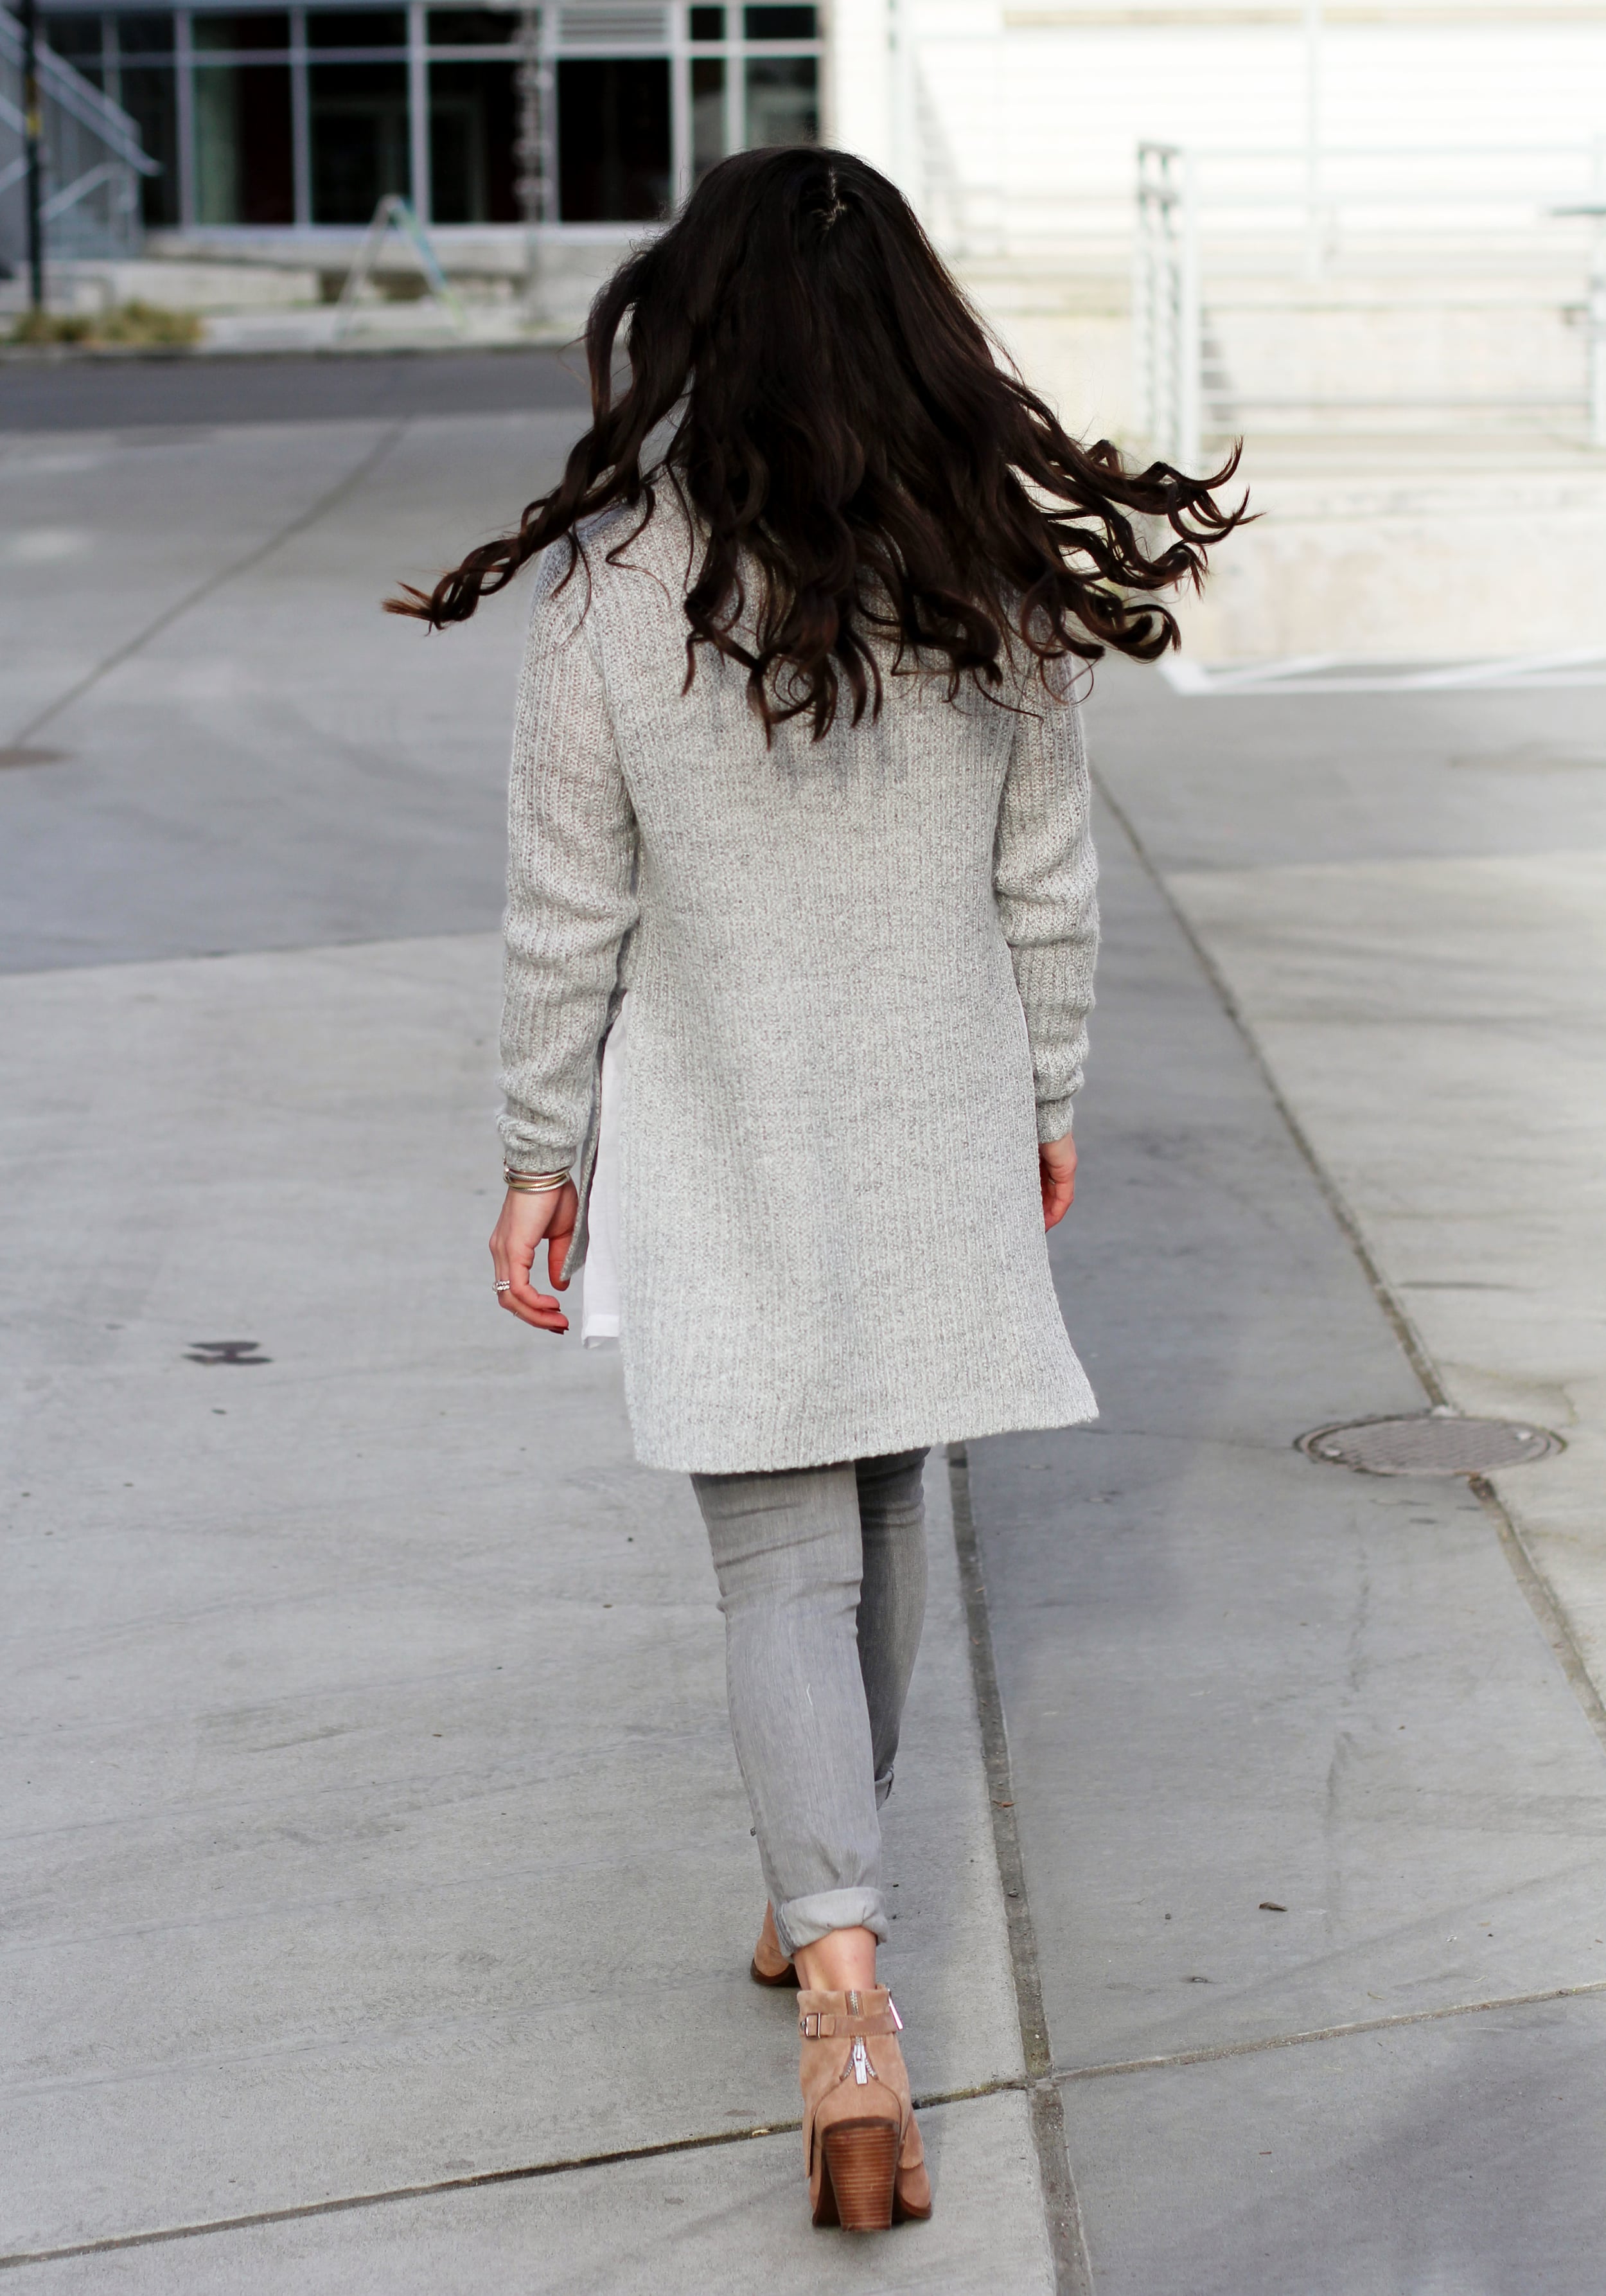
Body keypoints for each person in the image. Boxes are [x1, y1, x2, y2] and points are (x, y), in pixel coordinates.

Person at [389, 145, 1243, 2234]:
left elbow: (563, 912)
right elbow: (1045, 879)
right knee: (875, 1504)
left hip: (722, 1122)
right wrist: (1044, 1086)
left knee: (781, 1546)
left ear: (694, 330)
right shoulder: (985, 573)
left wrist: (537, 1153)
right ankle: (822, 1885)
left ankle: (841, 1985)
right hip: (932, 1101)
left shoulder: (615, 589)